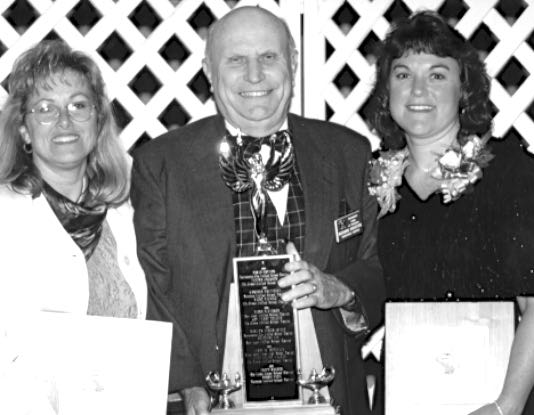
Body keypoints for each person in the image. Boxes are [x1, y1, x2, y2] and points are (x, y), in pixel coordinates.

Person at [131, 6, 384, 415]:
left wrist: (340, 290)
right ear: (209, 72)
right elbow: (152, 285)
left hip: (327, 399)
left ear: (294, 63)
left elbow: (378, 266)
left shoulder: (349, 153)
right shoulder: (161, 165)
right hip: (211, 402)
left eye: (269, 57)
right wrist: (186, 383)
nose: (254, 75)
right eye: (236, 60)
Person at [367, 10, 534, 415]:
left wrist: (506, 406)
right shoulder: (370, 183)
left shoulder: (512, 174)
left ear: (465, 88)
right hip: (404, 399)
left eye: (437, 74)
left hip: (495, 402)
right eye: (403, 74)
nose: (417, 90)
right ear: (386, 89)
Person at [0, 40, 148, 414]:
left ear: (99, 119)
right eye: (45, 109)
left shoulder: (126, 213)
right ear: (23, 129)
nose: (65, 121)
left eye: (78, 105)